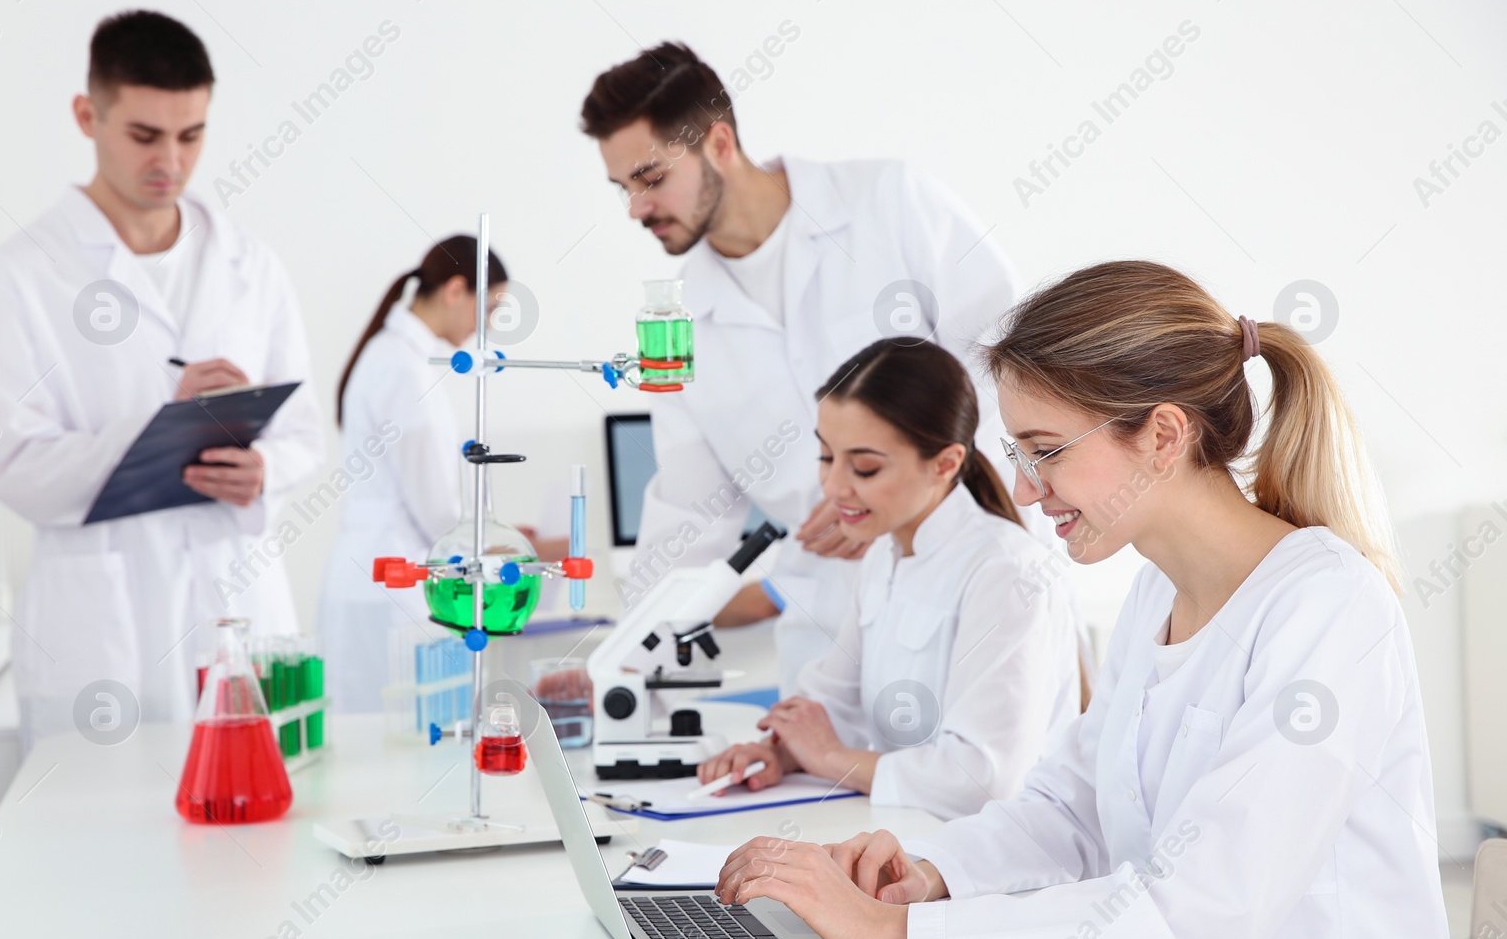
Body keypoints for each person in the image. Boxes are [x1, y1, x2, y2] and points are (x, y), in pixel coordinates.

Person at [715, 262, 1484, 939]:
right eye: (1016, 451)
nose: (1022, 485)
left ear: (1161, 435)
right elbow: (1071, 806)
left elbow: (1206, 908)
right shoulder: (1159, 592)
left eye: (1045, 451)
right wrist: (929, 875)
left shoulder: (1328, 607)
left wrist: (896, 932)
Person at [581, 42, 1028, 695]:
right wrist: (613, 665)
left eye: (650, 177)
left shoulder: (886, 203)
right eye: (623, 188)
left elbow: (1008, 364)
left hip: (975, 588)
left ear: (720, 144)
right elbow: (685, 516)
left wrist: (902, 501)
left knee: (984, 782)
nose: (635, 208)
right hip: (826, 642)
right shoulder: (683, 327)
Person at [0, 11, 323, 749]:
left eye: (192, 135)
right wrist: (159, 426)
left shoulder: (249, 265)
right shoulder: (18, 278)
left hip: (238, 599)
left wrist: (262, 469)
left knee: (260, 839)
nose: (173, 161)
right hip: (101, 630)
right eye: (145, 135)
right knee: (103, 844)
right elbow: (14, 467)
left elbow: (304, 432)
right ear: (87, 116)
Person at [697, 339, 1081, 819]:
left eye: (864, 467)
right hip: (909, 837)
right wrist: (776, 752)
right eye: (824, 457)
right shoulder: (884, 555)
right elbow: (829, 701)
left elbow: (981, 780)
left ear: (944, 463)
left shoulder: (1007, 572)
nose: (834, 486)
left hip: (1004, 863)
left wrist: (832, 759)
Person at [318, 236, 506, 710]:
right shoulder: (405, 368)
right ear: (456, 290)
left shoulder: (398, 356)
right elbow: (437, 512)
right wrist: (496, 546)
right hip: (389, 594)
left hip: (379, 584)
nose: (487, 327)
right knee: (394, 751)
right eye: (490, 310)